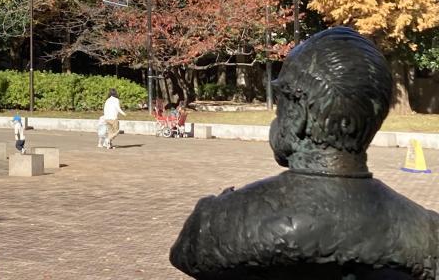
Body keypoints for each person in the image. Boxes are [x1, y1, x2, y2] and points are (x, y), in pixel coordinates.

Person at [171, 27, 439, 278]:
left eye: (281, 105)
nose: (276, 119)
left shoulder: (217, 222)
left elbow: (187, 255)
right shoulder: (429, 234)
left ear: (298, 114)